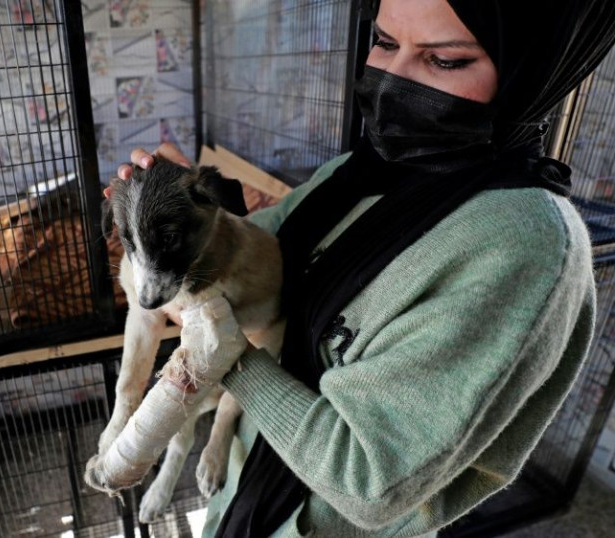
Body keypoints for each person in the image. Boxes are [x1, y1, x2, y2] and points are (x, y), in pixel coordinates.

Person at [111, 0, 615, 536]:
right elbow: (265, 246)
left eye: (443, 60)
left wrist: (223, 351)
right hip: (249, 489)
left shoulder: (521, 245)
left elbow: (368, 483)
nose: (389, 82)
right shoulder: (360, 172)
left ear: (530, 71)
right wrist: (189, 215)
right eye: (385, 42)